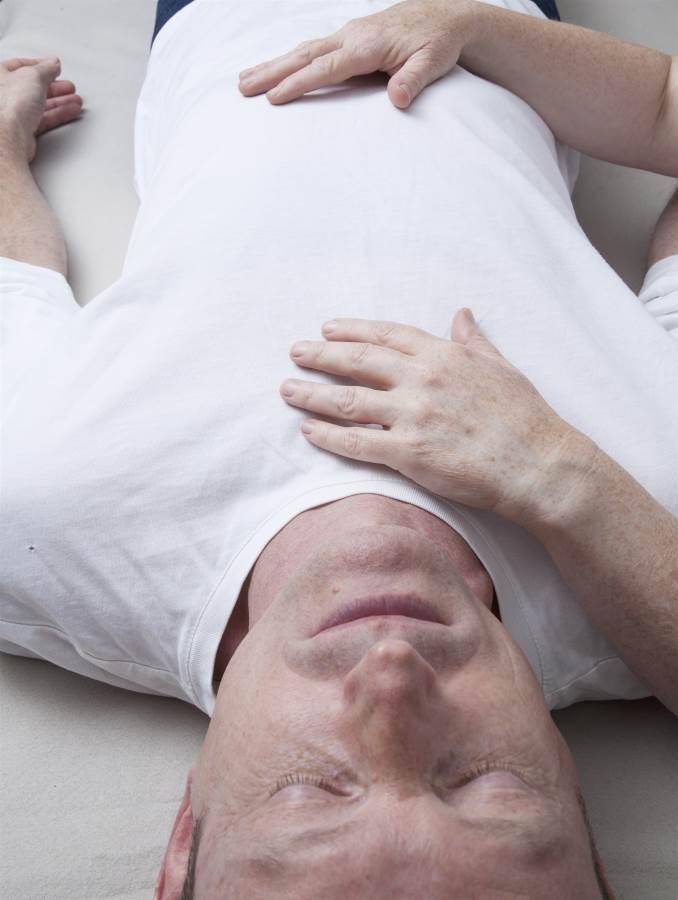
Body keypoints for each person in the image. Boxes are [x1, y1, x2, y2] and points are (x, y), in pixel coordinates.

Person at [1, 0, 676, 896]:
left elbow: (17, 287)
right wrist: (559, 476)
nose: (393, 674)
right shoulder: (648, 527)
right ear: (590, 836)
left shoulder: (39, 512)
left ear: (182, 842)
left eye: (311, 794)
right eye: (487, 785)